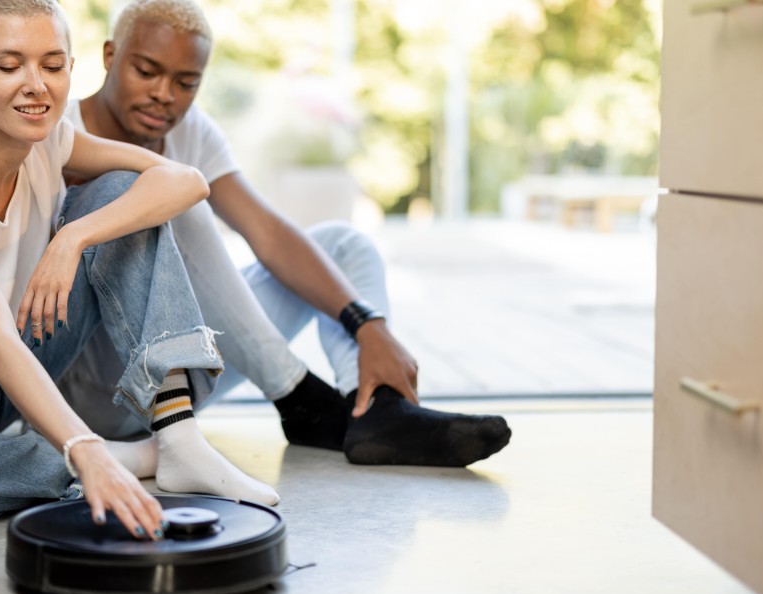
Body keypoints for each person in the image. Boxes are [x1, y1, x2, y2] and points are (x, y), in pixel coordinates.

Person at [0, 0, 279, 539]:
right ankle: (117, 459)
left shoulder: (50, 142)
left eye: (53, 65)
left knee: (121, 196)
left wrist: (73, 235)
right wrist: (82, 448)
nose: (35, 85)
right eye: (10, 66)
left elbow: (184, 181)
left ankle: (178, 438)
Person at [56, 0, 512, 468]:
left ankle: (375, 413)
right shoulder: (60, 132)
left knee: (344, 244)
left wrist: (367, 322)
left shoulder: (190, 130)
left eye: (185, 82)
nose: (164, 95)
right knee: (174, 191)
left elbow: (267, 233)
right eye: (146, 71)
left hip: (177, 375)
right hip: (95, 393)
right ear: (110, 56)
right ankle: (299, 396)